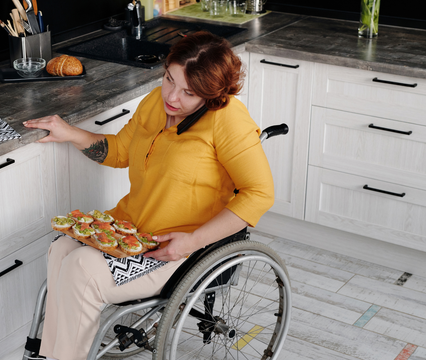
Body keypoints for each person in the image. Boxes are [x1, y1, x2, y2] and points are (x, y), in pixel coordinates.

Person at [22, 31, 275, 360]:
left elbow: (259, 193)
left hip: (177, 246)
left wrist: (191, 240)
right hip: (131, 230)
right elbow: (120, 152)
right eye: (169, 79)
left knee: (82, 269)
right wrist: (69, 132)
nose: (172, 96)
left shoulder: (227, 120)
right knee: (61, 249)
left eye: (189, 92)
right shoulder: (155, 103)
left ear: (211, 95)